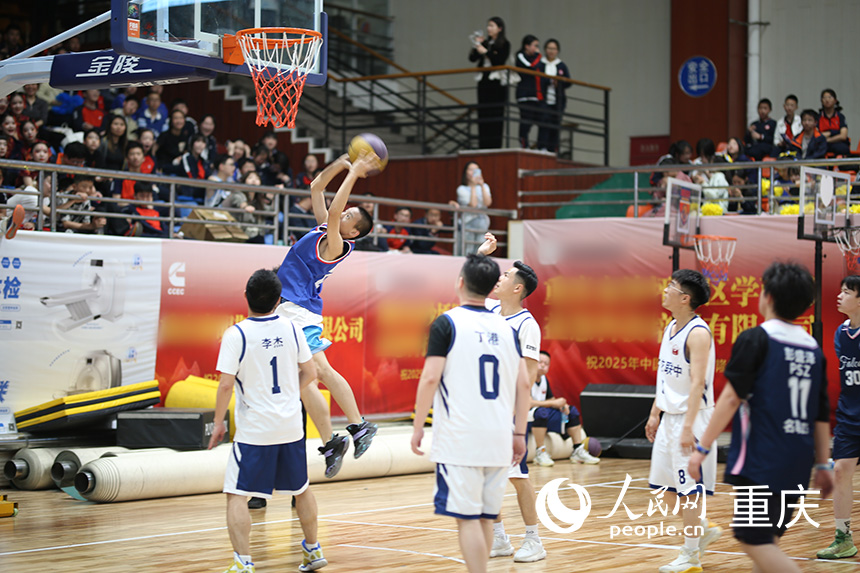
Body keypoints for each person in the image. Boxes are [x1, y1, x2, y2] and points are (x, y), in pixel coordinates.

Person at [689, 261, 833, 573]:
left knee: (752, 539)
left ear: (767, 297)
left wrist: (701, 449)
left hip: (762, 460)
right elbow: (821, 415)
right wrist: (823, 464)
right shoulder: (813, 348)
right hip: (798, 460)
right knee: (768, 542)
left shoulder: (756, 338)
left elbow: (731, 398)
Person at [411, 253, 531, 573]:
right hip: (499, 437)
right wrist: (520, 433)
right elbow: (524, 384)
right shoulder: (508, 329)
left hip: (460, 439)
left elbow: (430, 378)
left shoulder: (447, 322)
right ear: (492, 287)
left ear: (460, 282)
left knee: (467, 519)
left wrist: (418, 426)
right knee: (487, 518)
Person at [208, 269, 327, 573]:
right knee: (302, 489)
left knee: (236, 494)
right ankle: (313, 549)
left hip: (255, 429)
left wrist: (218, 422)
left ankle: (243, 562)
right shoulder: (293, 329)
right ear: (278, 300)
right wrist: (288, 395)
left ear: (245, 296)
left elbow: (225, 385)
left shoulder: (236, 334)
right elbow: (311, 372)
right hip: (290, 426)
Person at [275, 153, 380, 478]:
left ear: (352, 232)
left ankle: (359, 425)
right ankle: (331, 441)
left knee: (320, 370)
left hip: (300, 312)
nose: (344, 212)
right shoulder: (325, 229)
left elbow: (335, 210)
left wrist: (355, 173)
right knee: (304, 381)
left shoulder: (336, 244)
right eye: (347, 211)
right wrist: (341, 163)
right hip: (287, 309)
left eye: (350, 215)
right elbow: (317, 187)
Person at [646, 269, 722, 573]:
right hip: (669, 417)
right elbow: (665, 376)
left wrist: (689, 427)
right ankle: (701, 528)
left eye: (671, 287)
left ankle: (691, 557)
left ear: (685, 298)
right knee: (662, 490)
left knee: (689, 491)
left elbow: (697, 384)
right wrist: (655, 412)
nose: (665, 290)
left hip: (693, 419)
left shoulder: (698, 333)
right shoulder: (670, 327)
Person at [477, 234, 547, 563]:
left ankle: (534, 540)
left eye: (505, 275)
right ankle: (500, 539)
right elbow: (470, 284)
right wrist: (481, 254)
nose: (499, 278)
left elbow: (529, 376)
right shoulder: (490, 310)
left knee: (518, 477)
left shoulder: (526, 324)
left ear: (518, 288)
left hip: (506, 412)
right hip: (483, 408)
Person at [817, 275, 860, 560]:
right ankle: (843, 538)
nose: (839, 296)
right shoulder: (841, 333)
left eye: (846, 292)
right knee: (841, 471)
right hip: (849, 416)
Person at [530, 350, 599, 466]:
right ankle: (540, 452)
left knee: (571, 411)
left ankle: (577, 449)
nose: (543, 365)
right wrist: (553, 403)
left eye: (546, 364)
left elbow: (551, 399)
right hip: (526, 417)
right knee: (541, 412)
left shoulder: (544, 380)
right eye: (540, 362)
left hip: (542, 414)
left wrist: (561, 405)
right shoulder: (526, 378)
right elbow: (528, 403)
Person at [468, 16, 510, 150]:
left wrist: (486, 52)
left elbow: (499, 61)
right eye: (488, 26)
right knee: (483, 113)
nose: (488, 28)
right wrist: (477, 45)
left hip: (497, 83)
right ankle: (483, 146)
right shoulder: (485, 43)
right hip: (484, 80)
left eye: (492, 26)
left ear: (500, 28)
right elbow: (472, 58)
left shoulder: (505, 44)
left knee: (496, 114)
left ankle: (495, 146)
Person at [537, 39, 571, 153]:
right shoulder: (540, 64)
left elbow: (568, 82)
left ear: (557, 51)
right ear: (545, 50)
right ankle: (542, 147)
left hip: (558, 100)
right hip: (543, 99)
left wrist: (559, 83)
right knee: (544, 122)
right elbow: (537, 80)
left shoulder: (561, 65)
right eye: (549, 48)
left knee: (555, 124)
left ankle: (553, 149)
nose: (551, 51)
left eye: (554, 49)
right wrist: (549, 81)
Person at [452, 161, 492, 252]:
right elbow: (473, 205)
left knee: (480, 250)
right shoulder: (461, 189)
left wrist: (481, 185)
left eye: (476, 169)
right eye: (471, 169)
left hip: (482, 223)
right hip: (467, 223)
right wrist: (473, 186)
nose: (474, 172)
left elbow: (488, 203)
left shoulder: (485, 186)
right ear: (465, 172)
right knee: (468, 250)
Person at [514, 35, 543, 149]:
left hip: (535, 95)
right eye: (535, 46)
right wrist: (539, 56)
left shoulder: (536, 58)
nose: (537, 49)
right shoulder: (520, 55)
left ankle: (541, 145)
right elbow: (530, 67)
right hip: (524, 95)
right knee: (526, 120)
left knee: (540, 120)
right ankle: (524, 143)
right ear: (527, 46)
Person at [818, 88, 851, 156]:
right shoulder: (818, 117)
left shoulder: (840, 116)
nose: (827, 100)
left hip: (838, 143)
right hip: (822, 144)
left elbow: (843, 136)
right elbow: (817, 135)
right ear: (821, 101)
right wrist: (835, 133)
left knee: (843, 149)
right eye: (824, 98)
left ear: (835, 100)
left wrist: (828, 137)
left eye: (830, 97)